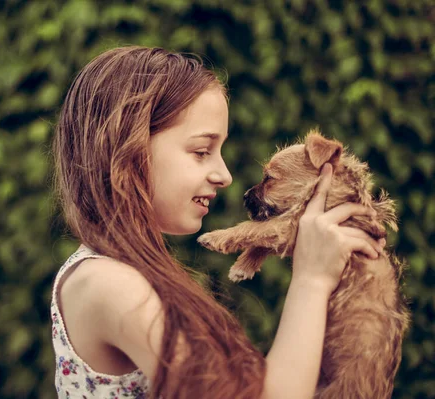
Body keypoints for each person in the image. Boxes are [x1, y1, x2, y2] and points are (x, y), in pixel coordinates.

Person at [50, 46, 385, 398]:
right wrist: (312, 280)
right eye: (200, 152)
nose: (224, 175)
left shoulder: (125, 273)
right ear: (128, 149)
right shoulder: (109, 284)